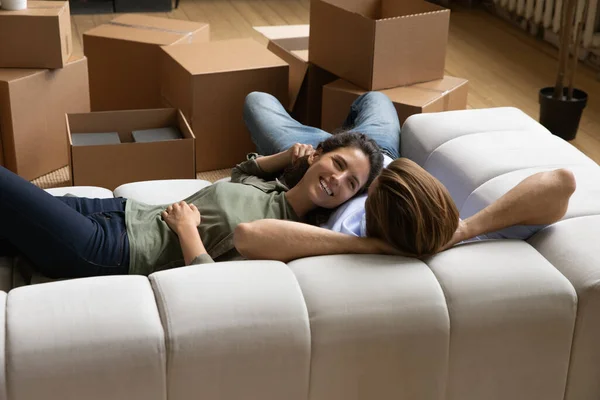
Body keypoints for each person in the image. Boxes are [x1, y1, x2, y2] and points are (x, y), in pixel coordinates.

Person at [232, 91, 577, 261]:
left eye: (368, 185)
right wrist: (464, 229)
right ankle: (349, 143)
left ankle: (330, 141)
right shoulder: (444, 228)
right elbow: (562, 182)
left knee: (256, 101)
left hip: (324, 170)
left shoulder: (345, 234)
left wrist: (327, 163)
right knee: (376, 97)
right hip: (382, 153)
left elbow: (251, 236)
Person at [0, 131, 383, 279]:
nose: (337, 180)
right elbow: (239, 173)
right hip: (117, 212)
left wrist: (187, 232)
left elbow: (214, 287)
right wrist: (287, 156)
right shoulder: (274, 190)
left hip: (115, 249)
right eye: (337, 163)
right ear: (318, 154)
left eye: (351, 183)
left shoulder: (287, 237)